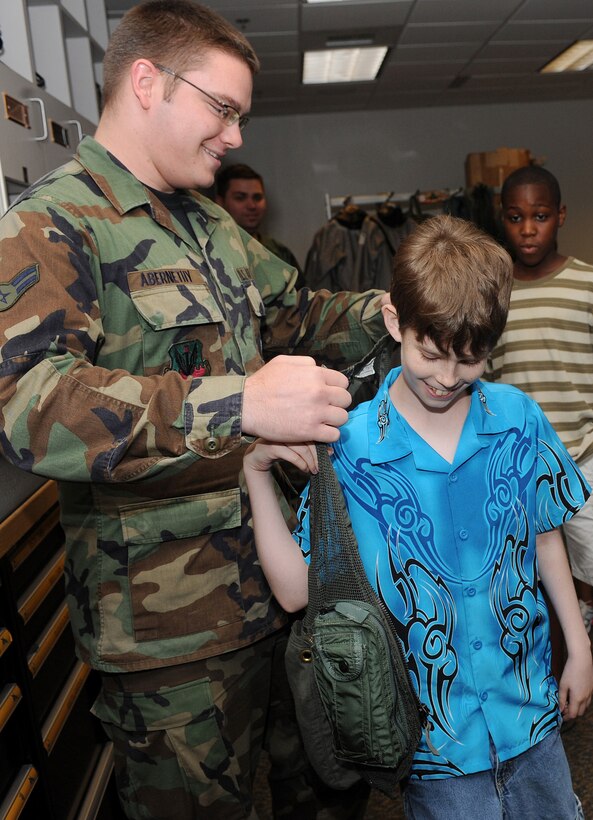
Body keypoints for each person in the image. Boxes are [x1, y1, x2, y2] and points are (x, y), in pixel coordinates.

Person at [0, 2, 387, 818]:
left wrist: (381, 315)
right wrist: (240, 401)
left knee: (324, 787)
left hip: (282, 580)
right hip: (172, 632)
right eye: (223, 108)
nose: (235, 136)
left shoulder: (209, 222)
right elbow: (29, 404)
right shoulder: (53, 221)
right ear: (147, 82)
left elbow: (292, 315)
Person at [244, 214, 593, 819]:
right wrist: (253, 475)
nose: (447, 379)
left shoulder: (519, 419)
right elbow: (299, 591)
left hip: (532, 721)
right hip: (436, 751)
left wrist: (581, 646)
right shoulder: (350, 449)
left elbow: (545, 535)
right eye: (429, 354)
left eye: (470, 360)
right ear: (392, 321)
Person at [487, 165, 593, 634]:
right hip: (516, 463)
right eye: (515, 217)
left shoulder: (586, 284)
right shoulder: (491, 292)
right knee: (523, 578)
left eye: (541, 215)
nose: (528, 229)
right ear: (501, 218)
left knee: (589, 569)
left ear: (561, 216)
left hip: (584, 458)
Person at [216, 163, 305, 287]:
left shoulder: (278, 253)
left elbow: (301, 300)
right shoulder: (212, 251)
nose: (252, 206)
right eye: (240, 198)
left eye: (257, 198)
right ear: (220, 202)